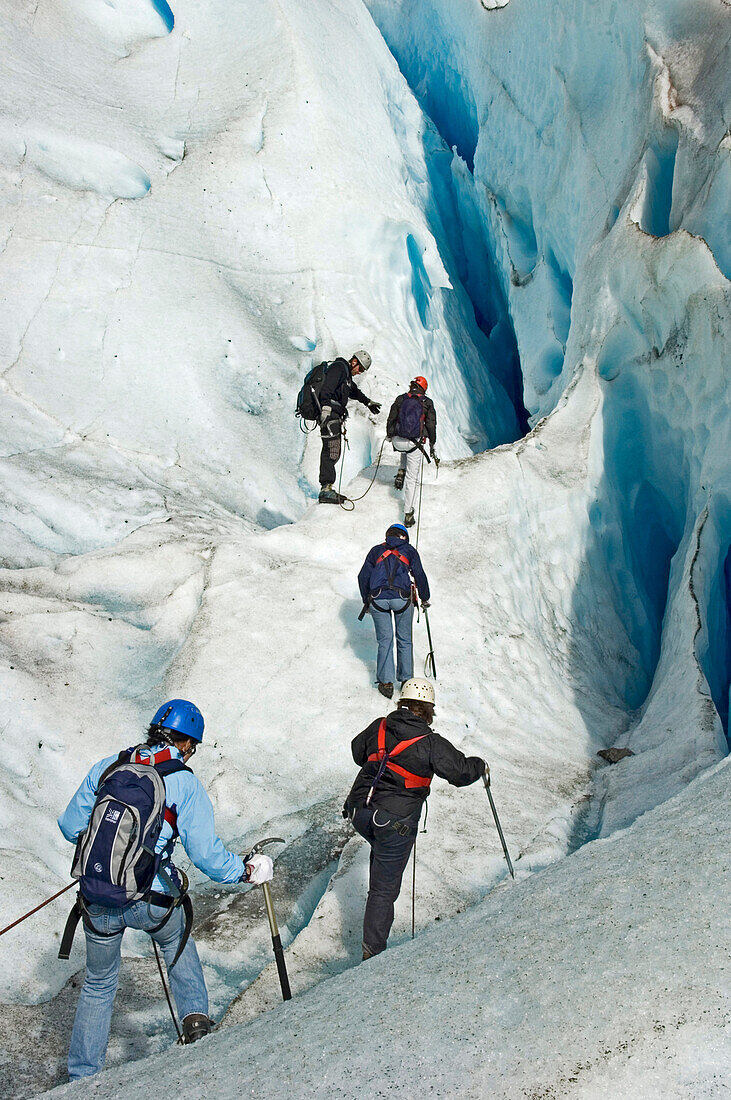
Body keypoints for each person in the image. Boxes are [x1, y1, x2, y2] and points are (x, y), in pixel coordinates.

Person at [57, 699, 273, 1080]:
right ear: (187, 743)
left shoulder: (110, 766)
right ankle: (196, 1027)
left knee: (98, 983)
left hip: (98, 897)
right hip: (151, 897)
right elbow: (206, 854)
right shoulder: (183, 782)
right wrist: (244, 872)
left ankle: (81, 1077)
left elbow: (70, 825)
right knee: (176, 941)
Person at [344, 678, 486, 959]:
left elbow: (357, 753)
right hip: (394, 821)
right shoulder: (430, 742)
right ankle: (372, 953)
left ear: (402, 703)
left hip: (360, 811)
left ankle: (373, 942)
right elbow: (460, 773)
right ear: (428, 709)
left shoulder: (380, 726)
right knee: (383, 890)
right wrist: (479, 765)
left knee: (381, 853)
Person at [358, 522, 430, 699]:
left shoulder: (376, 551)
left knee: (385, 641)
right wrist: (425, 597)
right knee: (405, 640)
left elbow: (363, 576)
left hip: (378, 599)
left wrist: (366, 600)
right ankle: (406, 681)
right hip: (402, 598)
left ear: (388, 535)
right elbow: (419, 574)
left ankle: (386, 683)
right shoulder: (409, 551)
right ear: (404, 536)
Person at [318, 350, 381, 504]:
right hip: (330, 412)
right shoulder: (339, 368)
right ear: (354, 361)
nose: (359, 372)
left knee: (334, 449)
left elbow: (354, 392)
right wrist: (325, 406)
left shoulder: (345, 376)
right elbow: (327, 387)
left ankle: (327, 488)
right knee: (332, 449)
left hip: (334, 414)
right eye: (360, 368)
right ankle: (325, 489)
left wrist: (368, 402)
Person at [386, 375, 438, 527]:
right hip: (414, 444)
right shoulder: (427, 402)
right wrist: (432, 444)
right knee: (412, 478)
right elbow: (431, 425)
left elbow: (391, 419)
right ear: (424, 389)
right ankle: (408, 513)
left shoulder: (401, 399)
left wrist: (390, 436)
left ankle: (401, 471)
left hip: (397, 442)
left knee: (405, 443)